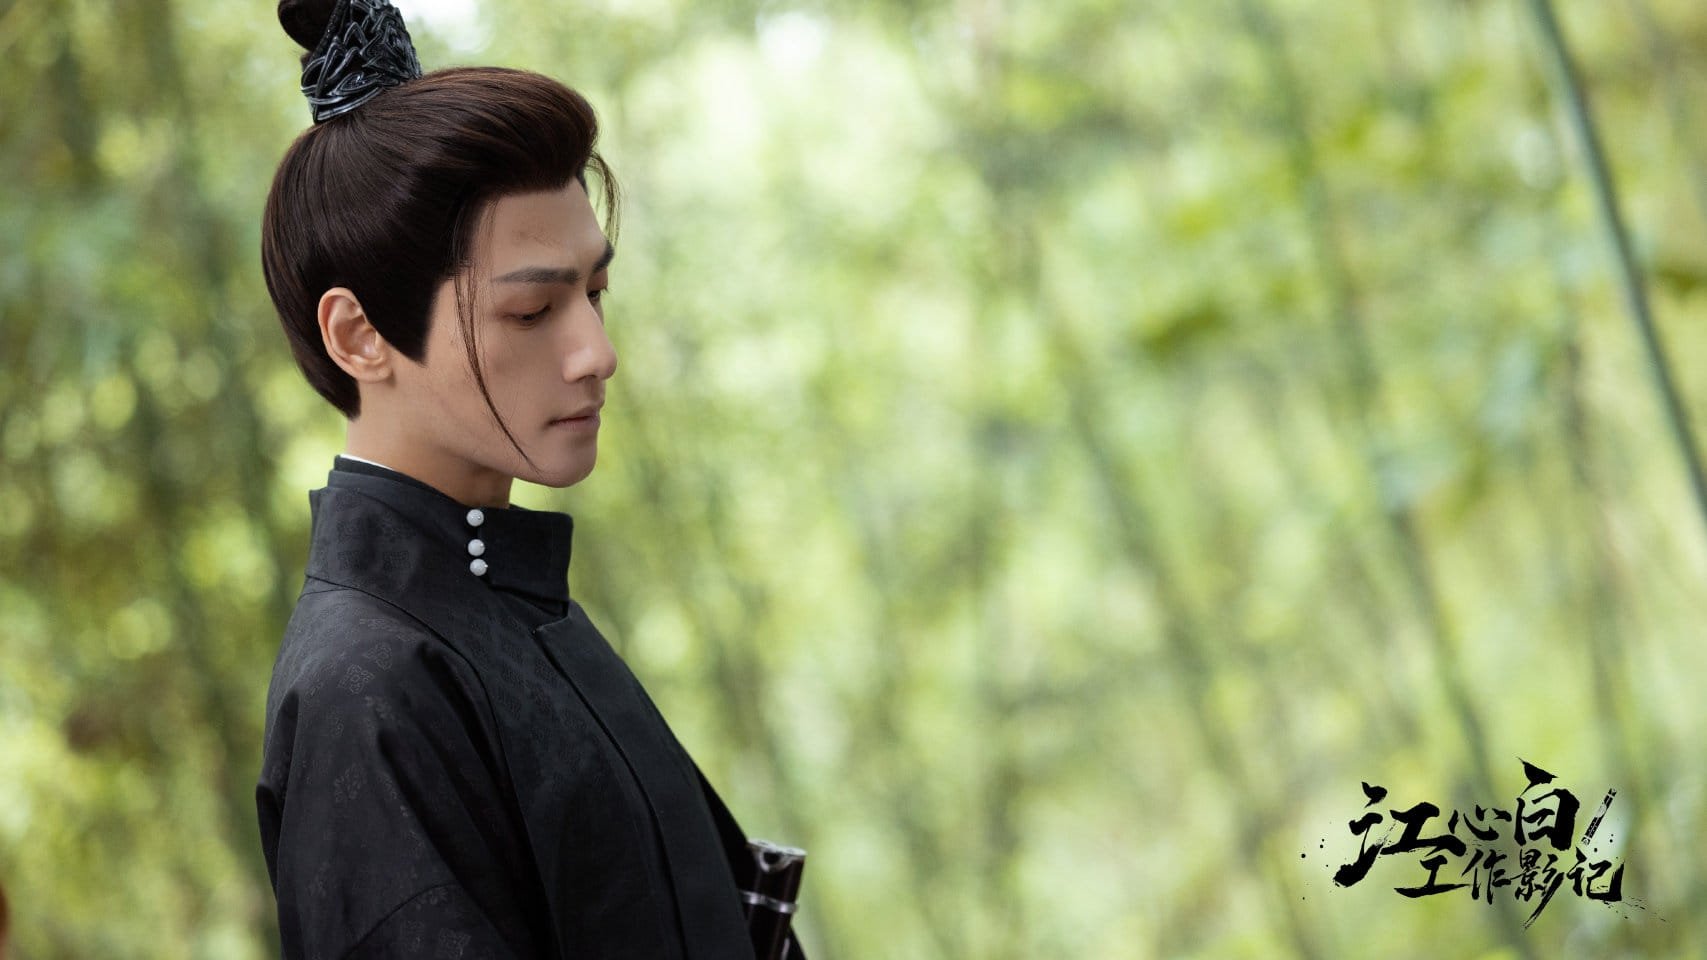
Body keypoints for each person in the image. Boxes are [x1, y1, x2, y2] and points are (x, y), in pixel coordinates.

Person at [253, 1, 806, 957]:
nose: (597, 353)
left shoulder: (498, 604)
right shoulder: (367, 687)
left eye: (593, 293)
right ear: (360, 335)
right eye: (531, 312)